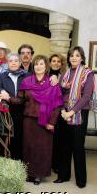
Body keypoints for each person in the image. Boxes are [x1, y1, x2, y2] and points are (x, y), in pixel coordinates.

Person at [54, 46, 94, 188]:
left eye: (77, 55)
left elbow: (86, 96)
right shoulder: (66, 74)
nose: (74, 58)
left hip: (79, 113)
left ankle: (81, 179)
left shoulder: (88, 73)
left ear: (82, 58)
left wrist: (72, 111)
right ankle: (63, 176)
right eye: (71, 55)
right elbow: (61, 91)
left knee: (77, 146)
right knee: (64, 146)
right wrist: (64, 110)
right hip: (64, 111)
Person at [19, 55, 63, 185]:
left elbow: (57, 105)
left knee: (42, 148)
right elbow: (20, 99)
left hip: (45, 122)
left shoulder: (52, 83)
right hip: (29, 120)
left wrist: (52, 122)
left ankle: (39, 174)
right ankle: (29, 173)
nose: (38, 66)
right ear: (33, 66)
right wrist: (5, 97)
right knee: (29, 147)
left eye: (41, 64)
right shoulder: (27, 81)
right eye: (36, 64)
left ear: (46, 67)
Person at [0, 53, 29, 160]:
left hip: (24, 111)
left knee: (21, 138)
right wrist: (1, 90)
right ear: (8, 63)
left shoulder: (27, 75)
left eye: (16, 61)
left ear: (20, 63)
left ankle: (19, 162)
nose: (14, 63)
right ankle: (8, 162)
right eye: (11, 61)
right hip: (7, 112)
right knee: (8, 137)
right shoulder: (2, 75)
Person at [49, 53, 67, 173]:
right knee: (47, 138)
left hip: (60, 110)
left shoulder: (65, 76)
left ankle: (55, 164)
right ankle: (47, 163)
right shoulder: (44, 75)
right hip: (47, 110)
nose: (56, 63)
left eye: (58, 61)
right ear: (49, 63)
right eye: (53, 61)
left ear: (61, 64)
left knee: (58, 139)